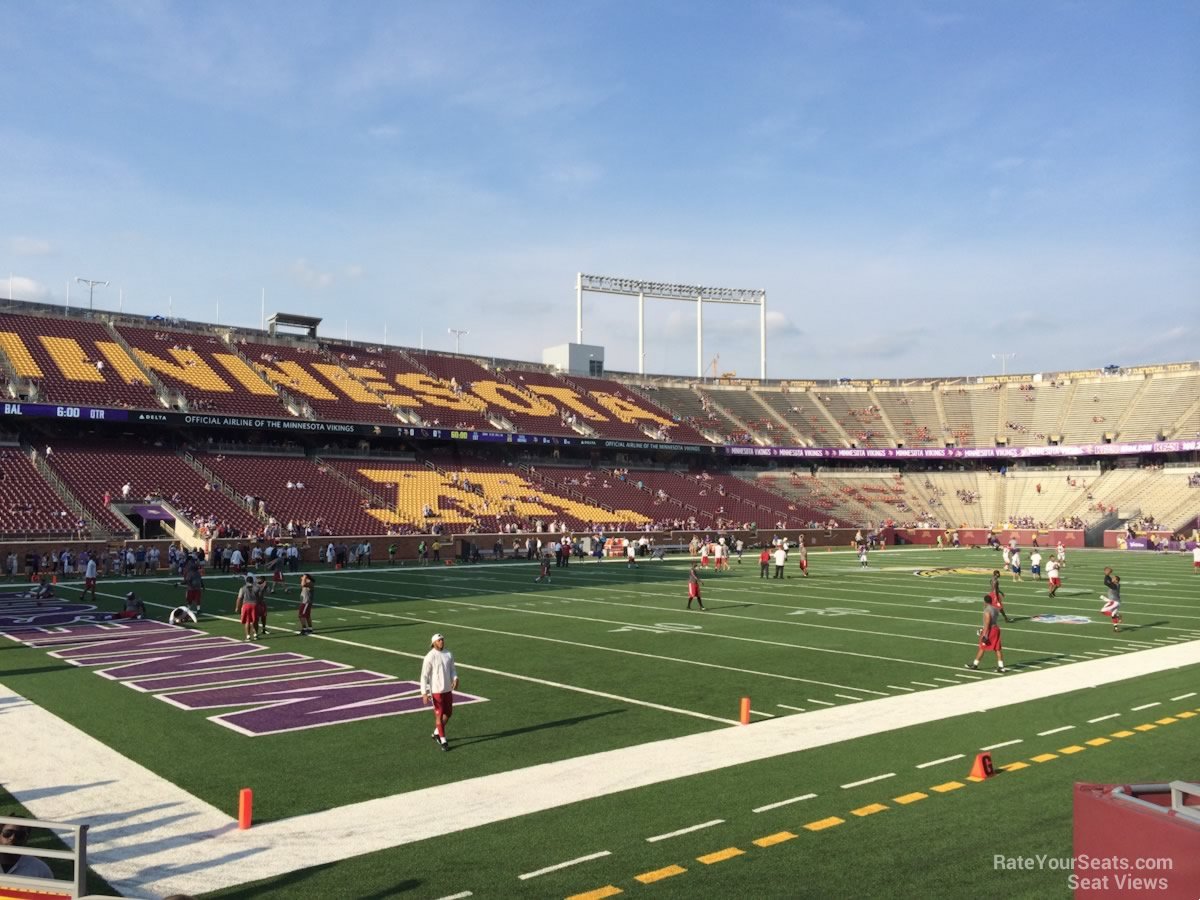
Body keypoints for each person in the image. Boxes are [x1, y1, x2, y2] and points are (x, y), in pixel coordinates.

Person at [420, 633, 458, 752]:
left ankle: (437, 732)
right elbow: (424, 676)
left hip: (447, 690)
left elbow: (452, 669)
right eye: (439, 640)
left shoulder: (448, 654)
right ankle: (443, 740)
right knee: (439, 714)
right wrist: (424, 693)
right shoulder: (429, 657)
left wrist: (455, 678)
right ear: (433, 643)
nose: (441, 642)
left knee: (449, 713)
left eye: (442, 640)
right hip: (436, 691)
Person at [966, 596, 1006, 673]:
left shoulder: (987, 610)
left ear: (985, 602)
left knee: (982, 646)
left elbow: (987, 623)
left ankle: (975, 664)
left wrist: (985, 634)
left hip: (990, 630)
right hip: (996, 628)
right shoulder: (995, 609)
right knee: (997, 648)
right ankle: (1001, 666)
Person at [234, 576, 257, 641]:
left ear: (246, 581)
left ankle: (248, 636)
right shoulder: (256, 588)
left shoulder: (242, 588)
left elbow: (239, 598)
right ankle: (255, 634)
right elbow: (259, 597)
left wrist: (237, 607)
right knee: (254, 621)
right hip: (254, 605)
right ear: (252, 581)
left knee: (247, 621)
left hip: (246, 605)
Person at [1101, 567, 1123, 632]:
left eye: (1114, 578)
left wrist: (1106, 575)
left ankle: (1118, 616)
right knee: (1113, 615)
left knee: (1103, 611)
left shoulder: (1114, 585)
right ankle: (1115, 628)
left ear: (1116, 580)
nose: (1112, 578)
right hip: (1117, 602)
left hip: (1114, 602)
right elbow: (1109, 580)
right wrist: (1107, 575)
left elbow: (1106, 583)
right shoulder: (1116, 584)